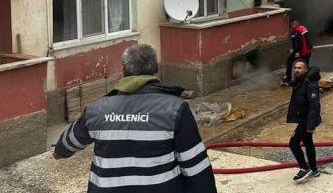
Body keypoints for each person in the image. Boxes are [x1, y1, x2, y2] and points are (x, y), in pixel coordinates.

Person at [53, 44, 217, 193]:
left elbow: (66, 144)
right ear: (156, 67)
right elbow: (196, 167)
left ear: (124, 69)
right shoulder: (175, 109)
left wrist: (59, 152)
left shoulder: (96, 110)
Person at [286, 58, 322, 183]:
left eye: (299, 68)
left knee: (293, 143)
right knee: (308, 143)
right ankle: (314, 169)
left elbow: (314, 105)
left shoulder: (310, 84)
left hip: (307, 121)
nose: (296, 70)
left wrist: (311, 124)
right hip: (303, 119)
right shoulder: (300, 81)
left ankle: (304, 168)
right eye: (295, 68)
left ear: (305, 70)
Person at [283, 19, 314, 86]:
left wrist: (297, 52)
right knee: (305, 64)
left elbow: (298, 42)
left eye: (291, 26)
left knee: (289, 61)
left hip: (301, 51)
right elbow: (307, 38)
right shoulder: (303, 28)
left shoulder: (296, 31)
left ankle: (288, 80)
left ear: (294, 25)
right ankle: (306, 79)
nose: (291, 28)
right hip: (309, 50)